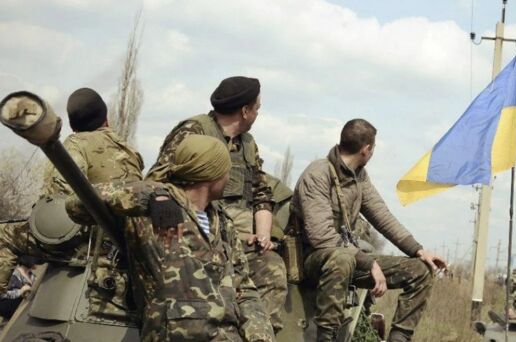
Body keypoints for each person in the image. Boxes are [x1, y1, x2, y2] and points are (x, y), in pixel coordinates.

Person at [67, 134, 274, 341]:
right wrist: (151, 195)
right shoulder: (150, 210)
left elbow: (244, 289)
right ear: (213, 174)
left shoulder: (222, 222)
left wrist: (260, 337)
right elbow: (77, 205)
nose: (228, 178)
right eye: (226, 171)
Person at [149, 76, 287, 333]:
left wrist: (263, 236)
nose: (258, 113)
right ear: (245, 111)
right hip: (195, 231)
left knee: (272, 268)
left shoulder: (248, 144)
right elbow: (157, 180)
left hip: (237, 238)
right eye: (257, 108)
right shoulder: (193, 132)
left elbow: (262, 194)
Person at [292, 119, 445, 342]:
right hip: (311, 259)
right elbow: (321, 237)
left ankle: (399, 338)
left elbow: (382, 216)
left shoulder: (359, 177)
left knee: (420, 270)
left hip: (350, 259)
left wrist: (418, 250)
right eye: (373, 148)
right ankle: (326, 337)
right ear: (366, 149)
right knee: (342, 258)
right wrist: (369, 263)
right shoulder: (318, 173)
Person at [0, 87, 143, 321]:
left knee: (4, 235)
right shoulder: (128, 150)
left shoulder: (76, 143)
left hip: (88, 243)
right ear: (106, 118)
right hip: (124, 240)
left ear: (72, 125)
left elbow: (56, 206)